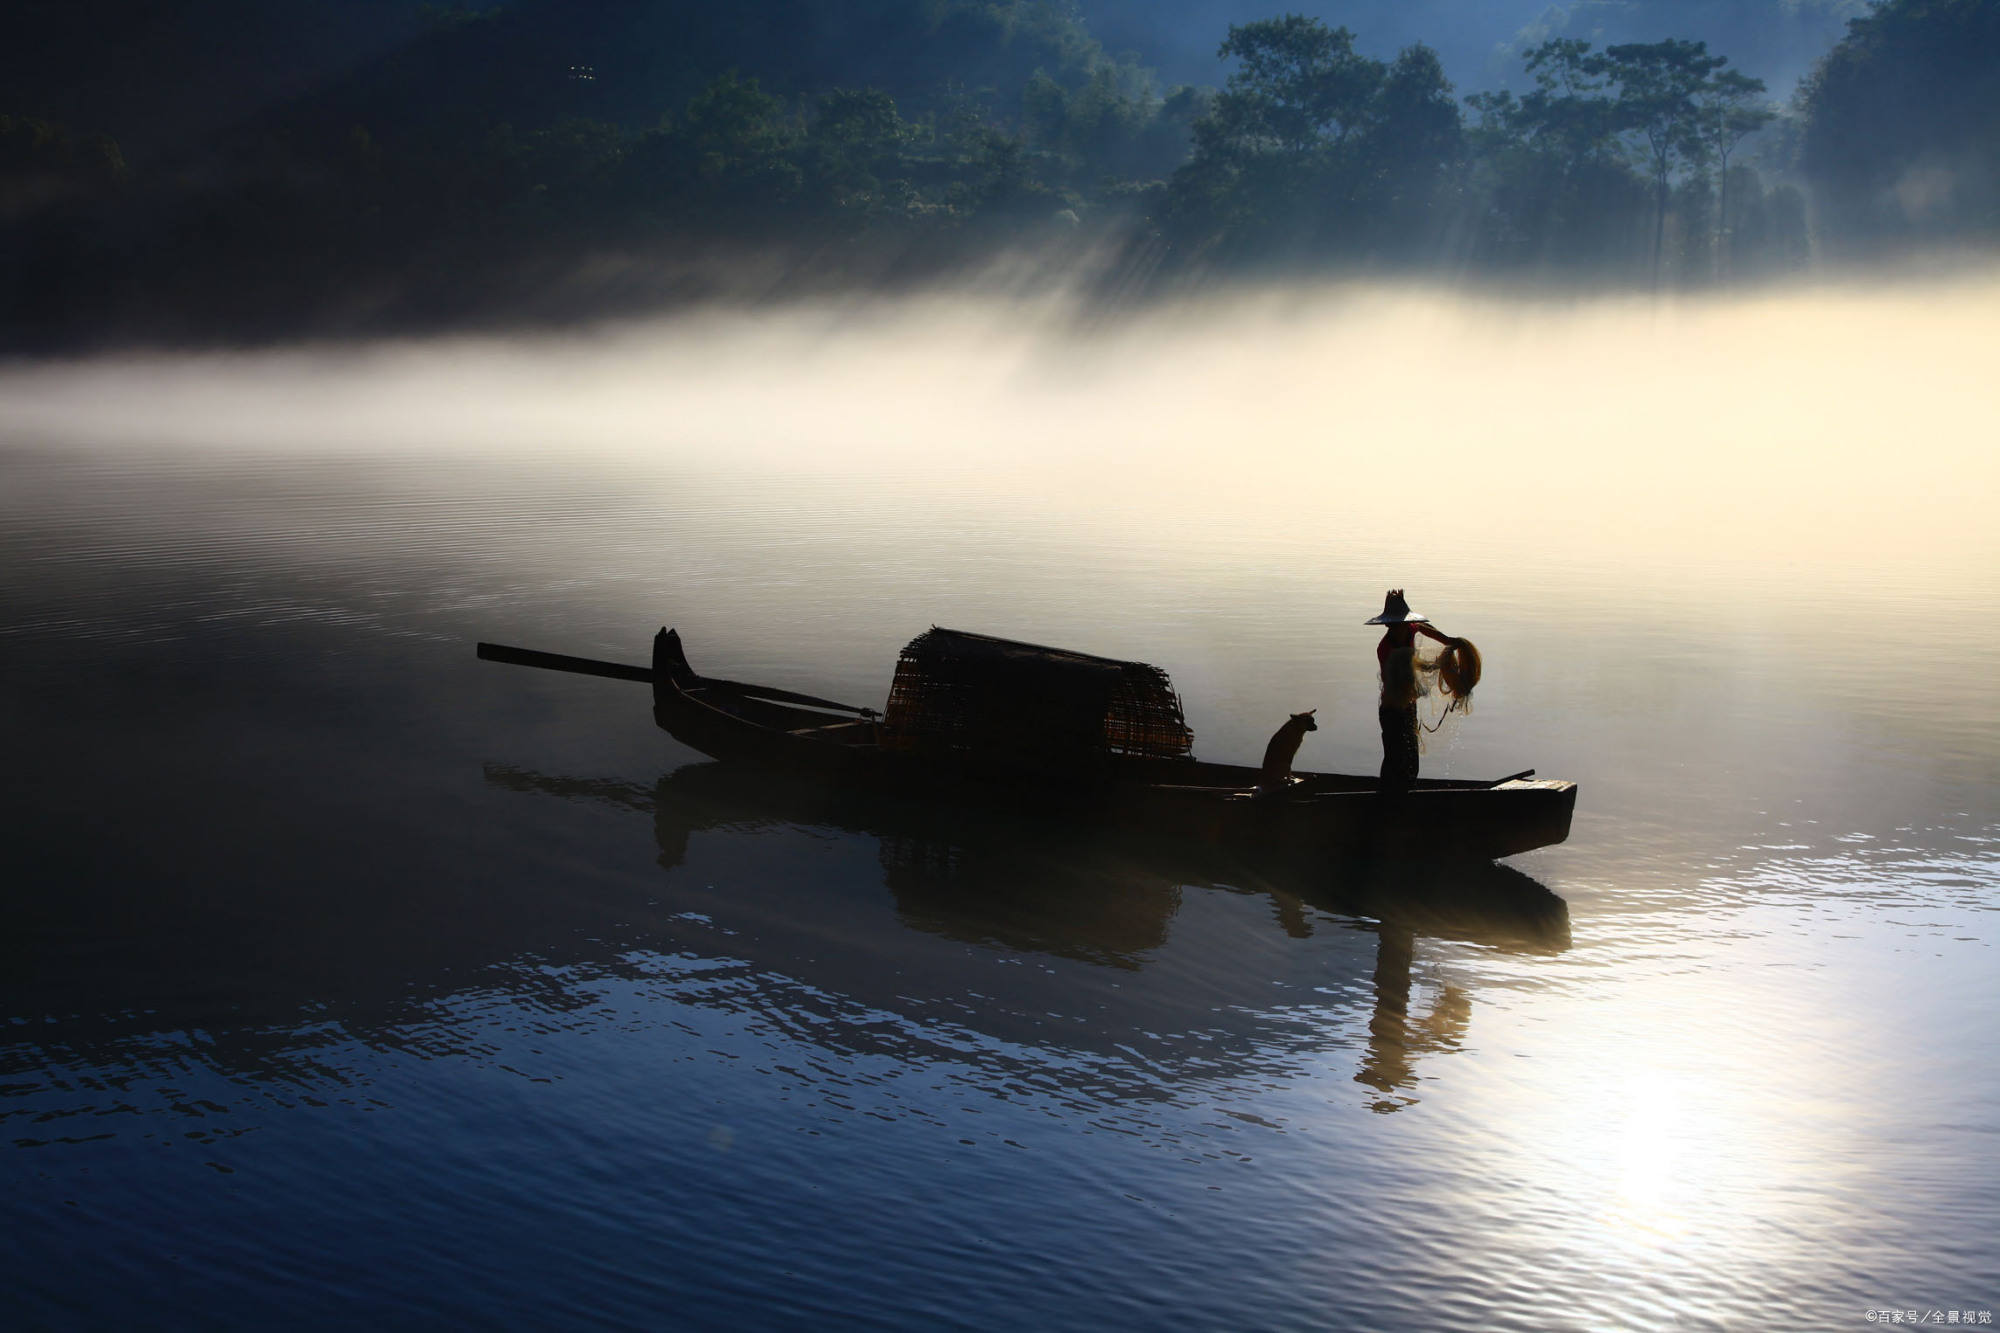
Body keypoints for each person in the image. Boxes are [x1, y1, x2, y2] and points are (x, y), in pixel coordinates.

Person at [1368, 589, 1454, 795]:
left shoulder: (1410, 629)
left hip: (1408, 706)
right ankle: (1388, 797)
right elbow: (1401, 677)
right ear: (1388, 625)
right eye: (1400, 624)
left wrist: (1448, 641)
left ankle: (1408, 793)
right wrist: (1433, 666)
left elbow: (1425, 627)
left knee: (1411, 756)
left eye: (1406, 623)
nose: (1405, 628)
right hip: (1392, 709)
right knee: (1394, 756)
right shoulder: (1385, 648)